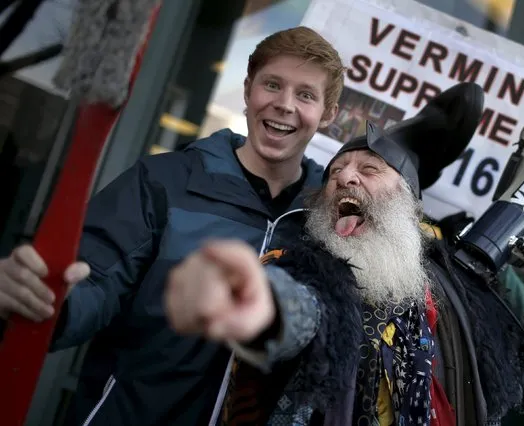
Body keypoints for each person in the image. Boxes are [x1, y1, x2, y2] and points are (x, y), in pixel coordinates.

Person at [0, 26, 344, 425]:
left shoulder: (326, 215)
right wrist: (38, 298)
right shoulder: (163, 181)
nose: (284, 105)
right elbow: (92, 283)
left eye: (305, 94)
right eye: (272, 84)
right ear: (248, 90)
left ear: (328, 114)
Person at [164, 113, 524, 425]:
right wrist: (264, 305)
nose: (345, 179)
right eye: (334, 174)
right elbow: (304, 310)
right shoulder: (300, 271)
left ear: (410, 205)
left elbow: (518, 388)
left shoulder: (457, 290)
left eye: (368, 169)